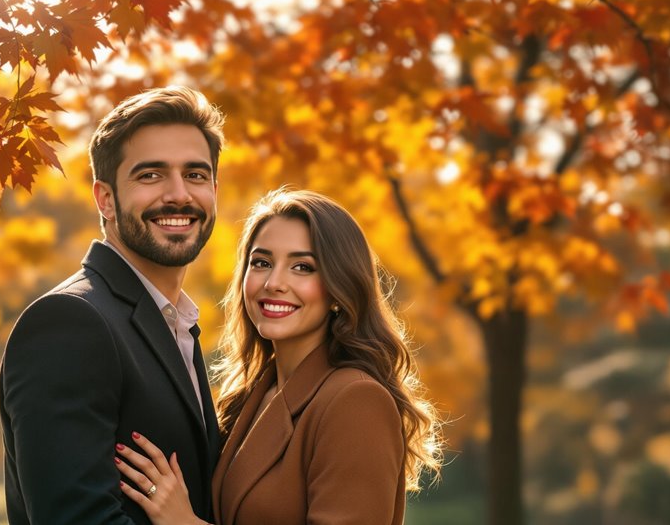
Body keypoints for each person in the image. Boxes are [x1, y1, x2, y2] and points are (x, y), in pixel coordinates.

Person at [115, 189, 442, 525]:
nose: (274, 283)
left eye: (302, 267)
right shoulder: (251, 395)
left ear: (338, 289)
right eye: (262, 263)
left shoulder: (356, 400)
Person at [0, 86, 225, 524]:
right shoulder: (70, 322)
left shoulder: (174, 325)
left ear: (214, 189)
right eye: (151, 175)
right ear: (105, 198)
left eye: (195, 175)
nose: (179, 195)